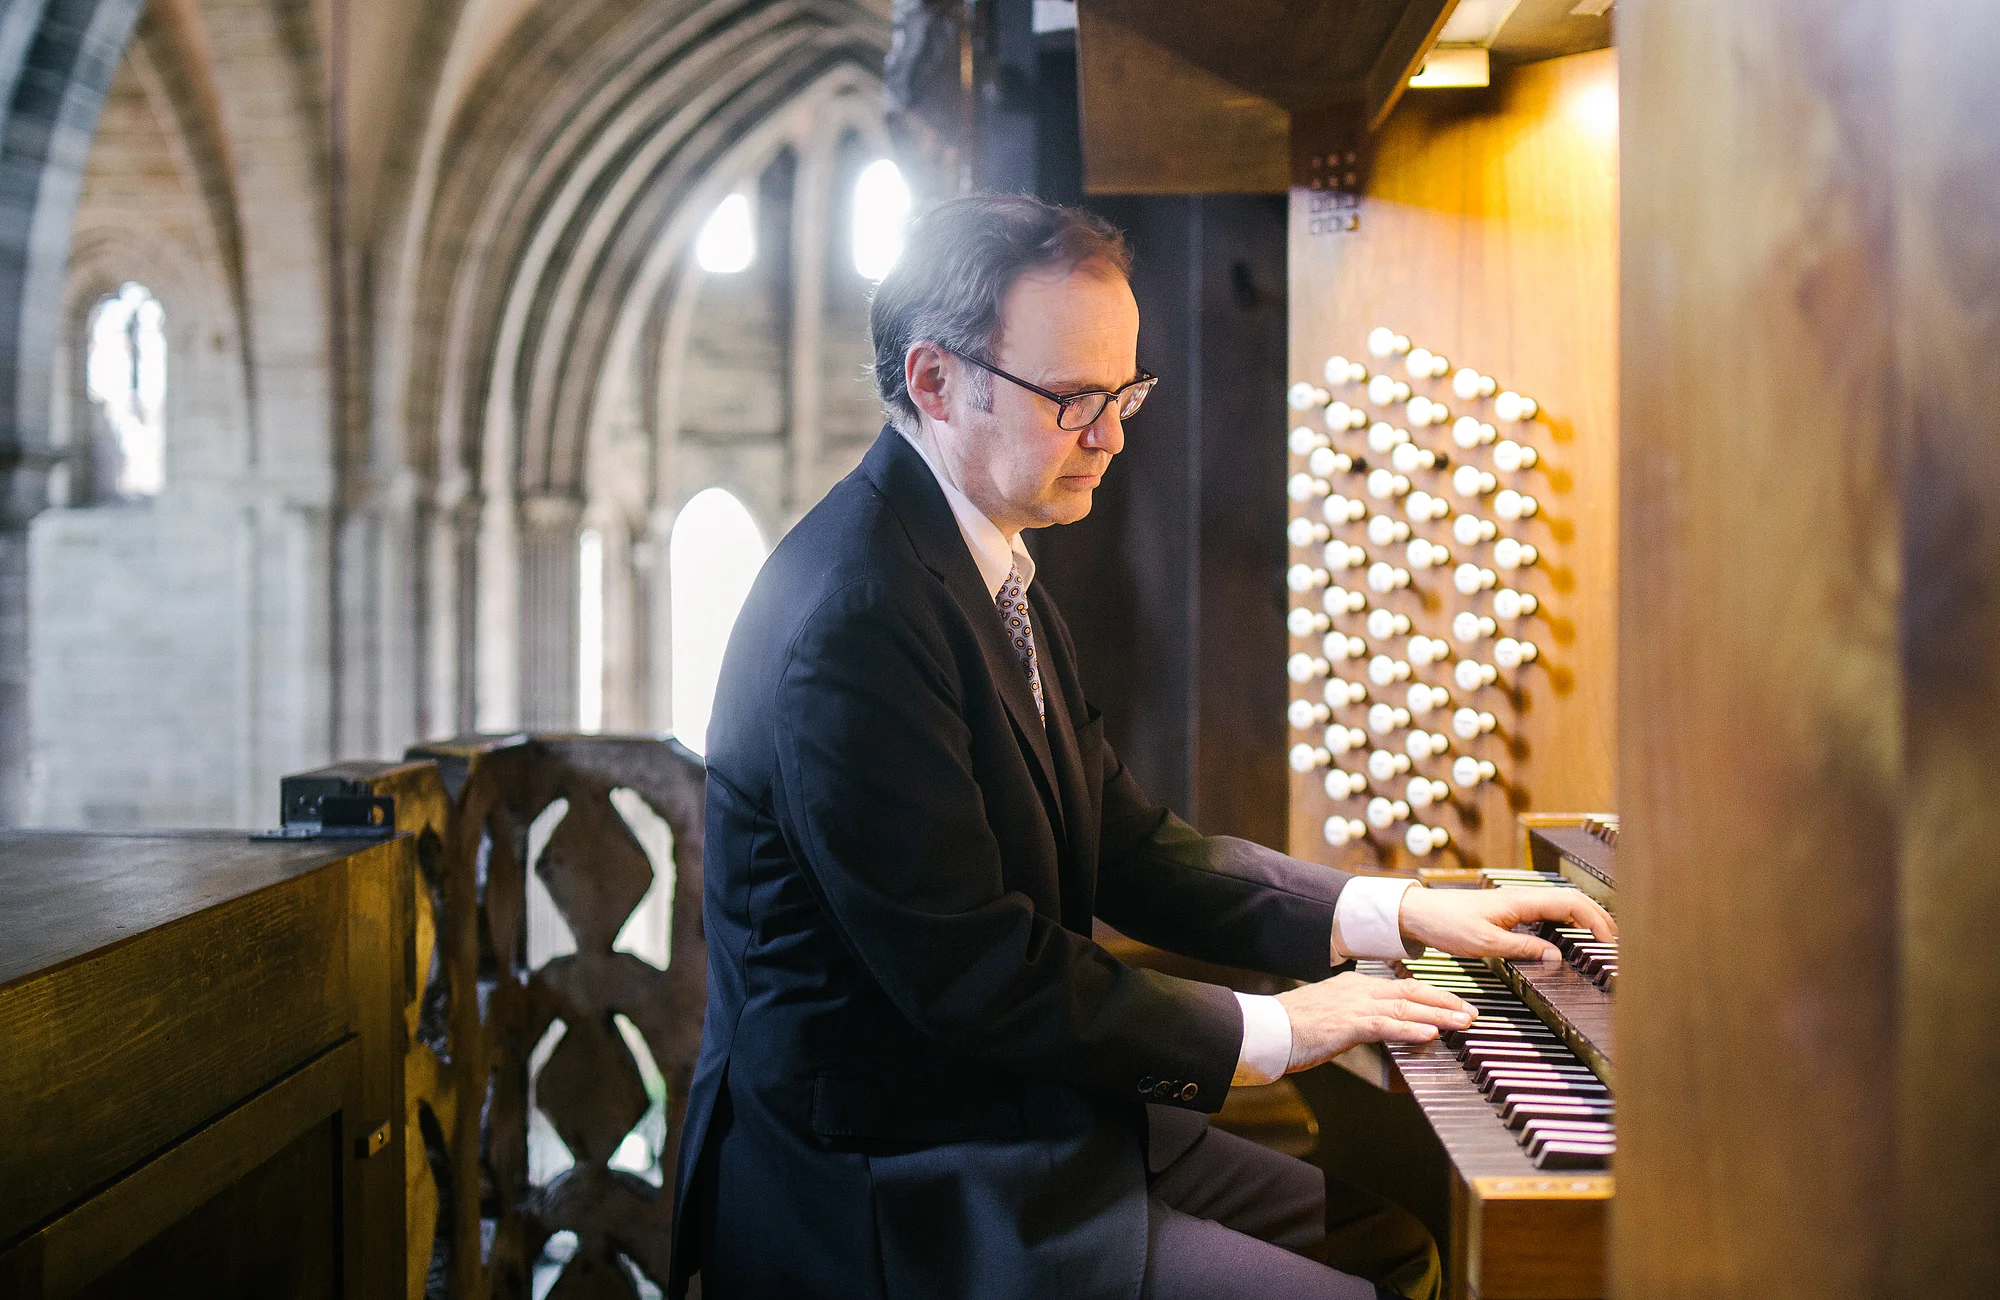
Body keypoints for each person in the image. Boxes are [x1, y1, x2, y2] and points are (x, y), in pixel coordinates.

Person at [668, 193, 1615, 1300]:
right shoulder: (855, 615)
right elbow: (976, 975)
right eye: (1074, 398)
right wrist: (1275, 1023)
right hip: (905, 1180)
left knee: (1395, 1245)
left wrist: (1393, 911)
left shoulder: (983, 561)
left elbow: (1125, 842)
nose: (1111, 434)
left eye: (1124, 392)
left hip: (1024, 1115)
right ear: (934, 382)